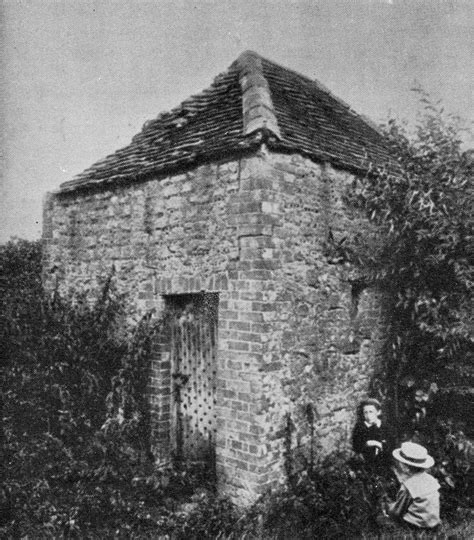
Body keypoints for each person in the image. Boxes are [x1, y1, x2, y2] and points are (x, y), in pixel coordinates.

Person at [385, 441, 441, 531]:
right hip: (434, 524)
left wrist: (388, 508)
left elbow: (398, 511)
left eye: (400, 463)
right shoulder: (431, 479)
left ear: (405, 468)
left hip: (416, 526)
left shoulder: (409, 486)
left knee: (387, 521)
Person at [352, 398, 394, 469]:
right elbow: (356, 446)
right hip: (367, 464)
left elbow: (392, 446)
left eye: (371, 412)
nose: (368, 416)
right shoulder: (360, 427)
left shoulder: (386, 426)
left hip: (385, 463)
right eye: (365, 412)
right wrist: (367, 443)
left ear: (378, 412)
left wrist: (379, 444)